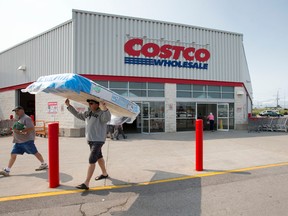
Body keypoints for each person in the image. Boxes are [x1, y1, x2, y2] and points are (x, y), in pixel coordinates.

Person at [65, 98, 111, 190]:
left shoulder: (102, 113)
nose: (89, 105)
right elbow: (77, 115)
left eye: (91, 103)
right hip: (90, 140)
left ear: (97, 104)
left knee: (92, 160)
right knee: (99, 157)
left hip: (98, 140)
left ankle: (86, 183)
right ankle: (104, 173)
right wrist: (69, 106)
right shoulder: (87, 113)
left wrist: (105, 108)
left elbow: (107, 118)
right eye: (89, 103)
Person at [0, 106, 48, 177]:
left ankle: (43, 164)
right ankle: (7, 170)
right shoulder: (20, 118)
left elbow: (31, 128)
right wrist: (15, 131)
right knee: (13, 154)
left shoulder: (26, 118)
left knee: (35, 152)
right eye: (15, 111)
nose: (16, 112)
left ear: (22, 110)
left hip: (27, 141)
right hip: (18, 142)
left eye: (17, 111)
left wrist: (20, 131)